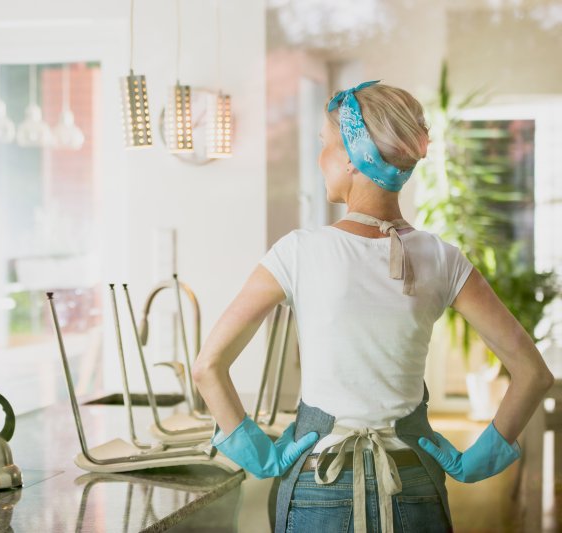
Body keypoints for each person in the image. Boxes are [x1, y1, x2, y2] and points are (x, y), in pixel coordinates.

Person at [192, 80, 555, 532]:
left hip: (315, 484)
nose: (319, 158)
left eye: (324, 145)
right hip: (414, 481)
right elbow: (533, 374)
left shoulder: (299, 251)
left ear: (351, 156)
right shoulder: (442, 258)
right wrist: (476, 461)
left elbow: (208, 365)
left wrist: (260, 456)